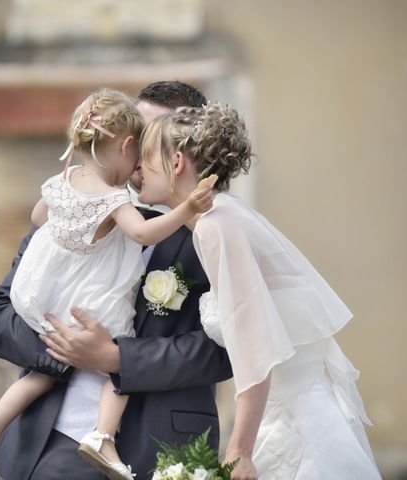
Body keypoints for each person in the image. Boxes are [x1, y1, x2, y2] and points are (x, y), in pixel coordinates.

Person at [0, 81, 233, 480]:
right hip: (47, 440)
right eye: (136, 139)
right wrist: (62, 349)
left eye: (154, 140)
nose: (139, 156)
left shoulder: (212, 234)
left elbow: (228, 351)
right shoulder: (74, 209)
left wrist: (116, 359)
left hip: (156, 447)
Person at [129, 104, 382, 479]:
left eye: (146, 157)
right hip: (286, 409)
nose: (137, 169)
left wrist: (239, 450)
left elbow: (256, 347)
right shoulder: (226, 214)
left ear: (177, 162)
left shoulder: (215, 226)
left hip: (295, 422)